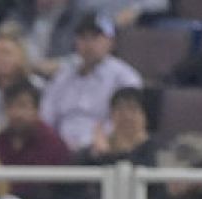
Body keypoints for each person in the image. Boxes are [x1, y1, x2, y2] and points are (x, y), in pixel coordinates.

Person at [39, 13, 141, 152]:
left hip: (103, 149)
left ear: (111, 41)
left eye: (95, 37)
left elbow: (125, 123)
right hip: (58, 149)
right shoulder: (63, 75)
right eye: (83, 38)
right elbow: (46, 116)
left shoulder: (125, 78)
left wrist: (96, 142)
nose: (88, 44)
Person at [0, 81, 71, 199]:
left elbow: (43, 187)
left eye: (22, 106)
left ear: (37, 110)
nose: (17, 113)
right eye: (10, 106)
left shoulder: (52, 144)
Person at [76, 86, 156, 166]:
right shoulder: (99, 146)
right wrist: (95, 153)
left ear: (144, 115)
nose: (126, 116)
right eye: (120, 109)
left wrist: (105, 155)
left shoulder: (155, 149)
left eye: (133, 109)